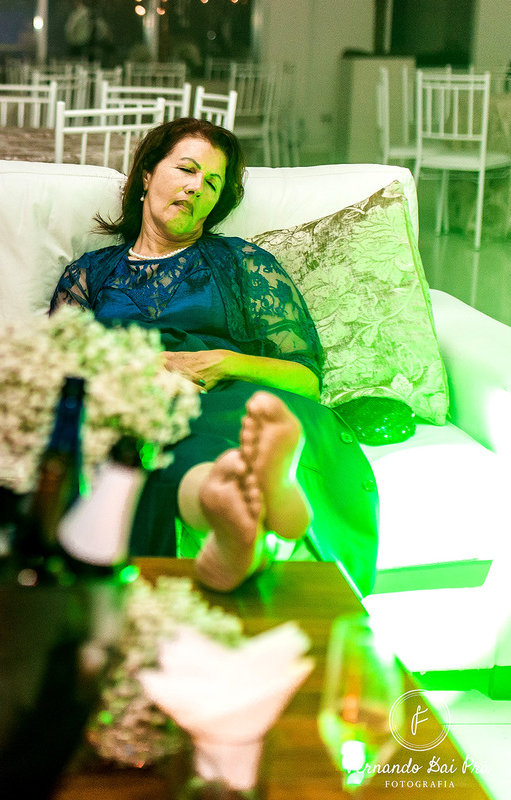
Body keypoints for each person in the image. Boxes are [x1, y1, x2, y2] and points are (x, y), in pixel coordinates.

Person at [51, 117, 379, 594]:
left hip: (226, 398)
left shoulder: (243, 264)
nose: (195, 187)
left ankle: (237, 507)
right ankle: (234, 517)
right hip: (131, 402)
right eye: (186, 169)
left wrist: (226, 361)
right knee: (144, 441)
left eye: (211, 183)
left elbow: (306, 380)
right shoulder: (89, 275)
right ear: (147, 174)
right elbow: (56, 370)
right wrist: (136, 371)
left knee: (194, 433)